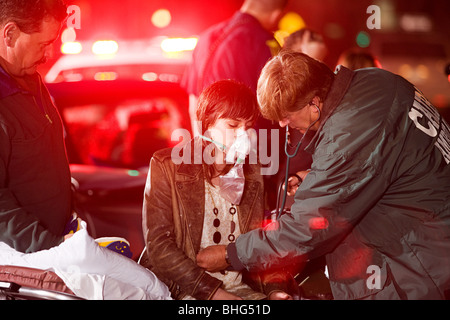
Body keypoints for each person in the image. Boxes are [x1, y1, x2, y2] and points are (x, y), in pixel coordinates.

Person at [197, 50, 450, 300]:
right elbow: (382, 164)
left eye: (287, 115)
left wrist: (232, 254)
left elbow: (305, 229)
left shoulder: (348, 135)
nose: (284, 124)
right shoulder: (375, 80)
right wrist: (316, 177)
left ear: (314, 103)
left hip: (421, 263)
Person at [139, 80, 292, 300]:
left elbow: (262, 242)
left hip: (242, 292)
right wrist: (213, 294)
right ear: (206, 124)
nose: (243, 135)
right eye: (232, 125)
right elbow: (160, 247)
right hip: (184, 291)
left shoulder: (252, 173)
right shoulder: (167, 166)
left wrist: (275, 290)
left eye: (248, 127)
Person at [0, 0, 72, 253]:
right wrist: (50, 246)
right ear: (9, 34)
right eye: (43, 44)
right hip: (20, 267)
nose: (48, 55)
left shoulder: (29, 81)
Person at [181, 0, 288, 136]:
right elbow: (281, 103)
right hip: (253, 147)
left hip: (209, 146)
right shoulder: (265, 42)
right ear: (276, 15)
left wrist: (201, 148)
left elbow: (194, 105)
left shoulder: (205, 38)